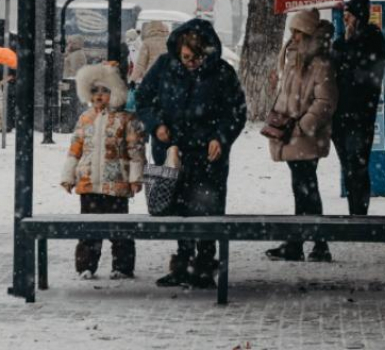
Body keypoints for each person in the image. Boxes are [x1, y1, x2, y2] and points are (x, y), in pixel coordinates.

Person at [136, 18, 246, 288]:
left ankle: (206, 264)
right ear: (179, 49)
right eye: (186, 57)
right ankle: (183, 261)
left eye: (196, 58)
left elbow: (236, 111)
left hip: (208, 156)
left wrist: (220, 137)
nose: (191, 63)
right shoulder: (164, 66)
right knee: (178, 208)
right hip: (173, 152)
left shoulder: (221, 72)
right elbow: (143, 99)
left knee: (207, 208)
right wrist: (156, 124)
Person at [265, 10, 338, 263]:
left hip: (304, 134)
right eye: (292, 31)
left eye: (298, 32)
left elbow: (325, 101)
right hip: (292, 133)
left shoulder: (320, 62)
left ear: (308, 33)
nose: (293, 36)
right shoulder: (295, 58)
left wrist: (303, 125)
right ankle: (306, 243)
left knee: (306, 187)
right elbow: (290, 92)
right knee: (303, 188)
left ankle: (313, 243)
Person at [61, 63, 145, 279]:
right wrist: (68, 175)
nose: (99, 96)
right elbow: (75, 150)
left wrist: (136, 178)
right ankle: (86, 265)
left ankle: (122, 266)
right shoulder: (85, 119)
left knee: (120, 229)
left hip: (116, 184)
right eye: (95, 91)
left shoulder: (126, 120)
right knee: (89, 228)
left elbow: (135, 150)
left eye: (105, 90)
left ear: (114, 93)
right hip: (88, 183)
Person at [331, 0, 385, 216]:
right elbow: (336, 64)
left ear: (359, 17)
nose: (346, 18)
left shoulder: (372, 39)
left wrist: (345, 45)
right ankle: (354, 212)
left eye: (349, 15)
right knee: (348, 165)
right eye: (345, 14)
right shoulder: (345, 40)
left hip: (360, 116)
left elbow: (362, 73)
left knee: (357, 165)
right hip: (341, 115)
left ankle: (359, 214)